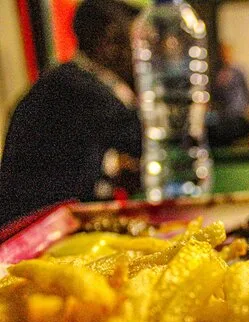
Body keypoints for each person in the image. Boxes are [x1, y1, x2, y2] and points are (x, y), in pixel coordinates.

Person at [0, 0, 142, 226]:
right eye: (137, 40)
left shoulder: (66, 79)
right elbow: (142, 139)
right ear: (108, 40)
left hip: (42, 221)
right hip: (34, 230)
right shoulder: (77, 88)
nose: (141, 51)